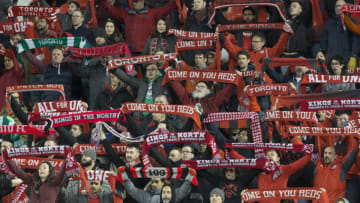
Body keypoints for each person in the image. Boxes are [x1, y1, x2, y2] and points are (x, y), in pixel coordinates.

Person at [99, 0, 177, 53]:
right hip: (131, 52)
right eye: (133, 1)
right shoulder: (126, 14)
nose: (134, 3)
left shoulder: (153, 13)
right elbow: (112, 10)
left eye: (136, 1)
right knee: (132, 76)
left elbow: (167, 8)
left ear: (143, 1)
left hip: (148, 52)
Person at [222, 24, 292, 71]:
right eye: (252, 42)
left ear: (263, 43)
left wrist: (285, 33)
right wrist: (222, 38)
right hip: (249, 85)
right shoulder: (246, 53)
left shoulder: (269, 52)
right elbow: (232, 49)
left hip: (265, 85)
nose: (253, 44)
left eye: (256, 42)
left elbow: (280, 46)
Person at [320, 0, 360, 68]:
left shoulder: (352, 22)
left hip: (347, 60)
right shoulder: (328, 23)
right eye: (336, 6)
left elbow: (356, 41)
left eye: (341, 6)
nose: (338, 8)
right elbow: (324, 41)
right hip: (332, 61)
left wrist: (354, 56)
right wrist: (321, 52)